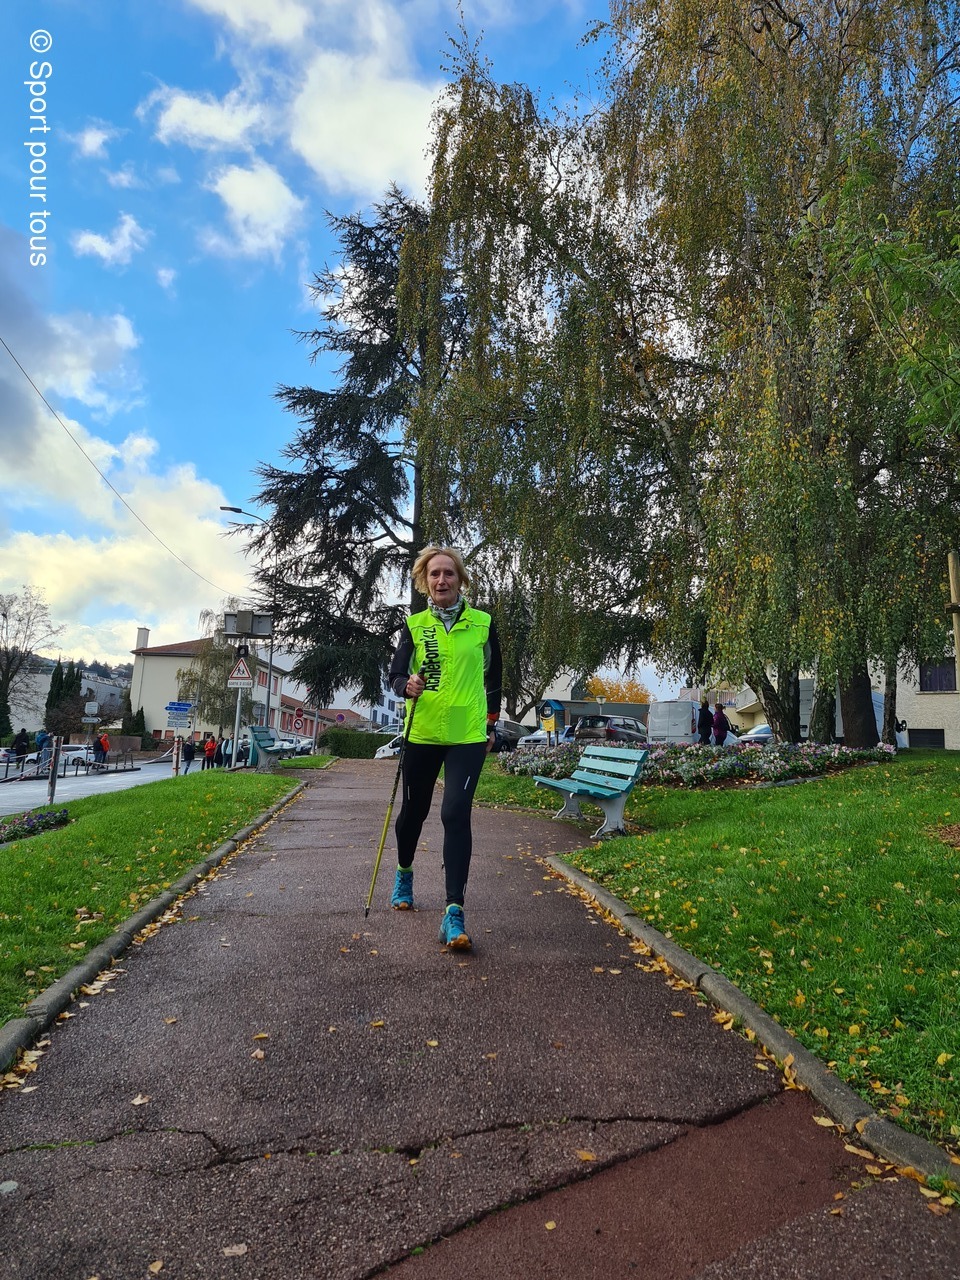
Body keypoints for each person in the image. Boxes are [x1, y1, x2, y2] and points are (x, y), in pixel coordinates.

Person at [387, 545, 502, 951]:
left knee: (454, 813)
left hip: (467, 734)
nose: (441, 580)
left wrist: (491, 725)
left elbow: (494, 679)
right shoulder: (414, 625)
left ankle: (454, 912)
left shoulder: (483, 624)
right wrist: (406, 686)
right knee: (413, 813)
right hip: (422, 731)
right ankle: (404, 873)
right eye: (434, 574)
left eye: (448, 573)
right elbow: (395, 675)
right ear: (425, 581)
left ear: (460, 579)